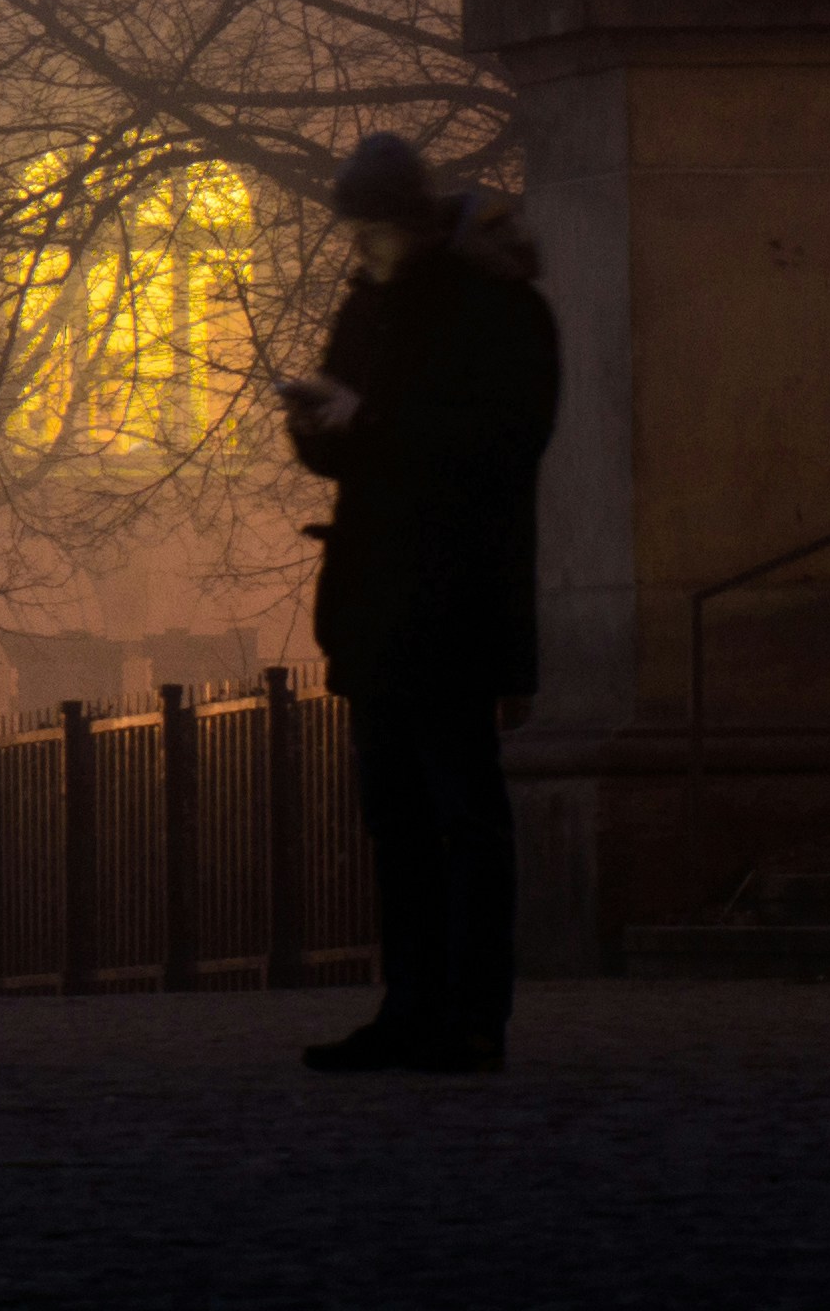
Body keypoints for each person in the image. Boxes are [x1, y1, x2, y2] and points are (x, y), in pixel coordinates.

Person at [275, 131, 559, 1075]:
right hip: (382, 589)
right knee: (398, 816)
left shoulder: (498, 306)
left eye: (372, 229)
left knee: (459, 811)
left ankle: (471, 1014)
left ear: (408, 221)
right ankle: (413, 1005)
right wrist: (319, 426)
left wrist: (369, 423)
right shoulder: (375, 302)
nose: (364, 247)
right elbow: (352, 443)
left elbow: (504, 442)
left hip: (453, 588)